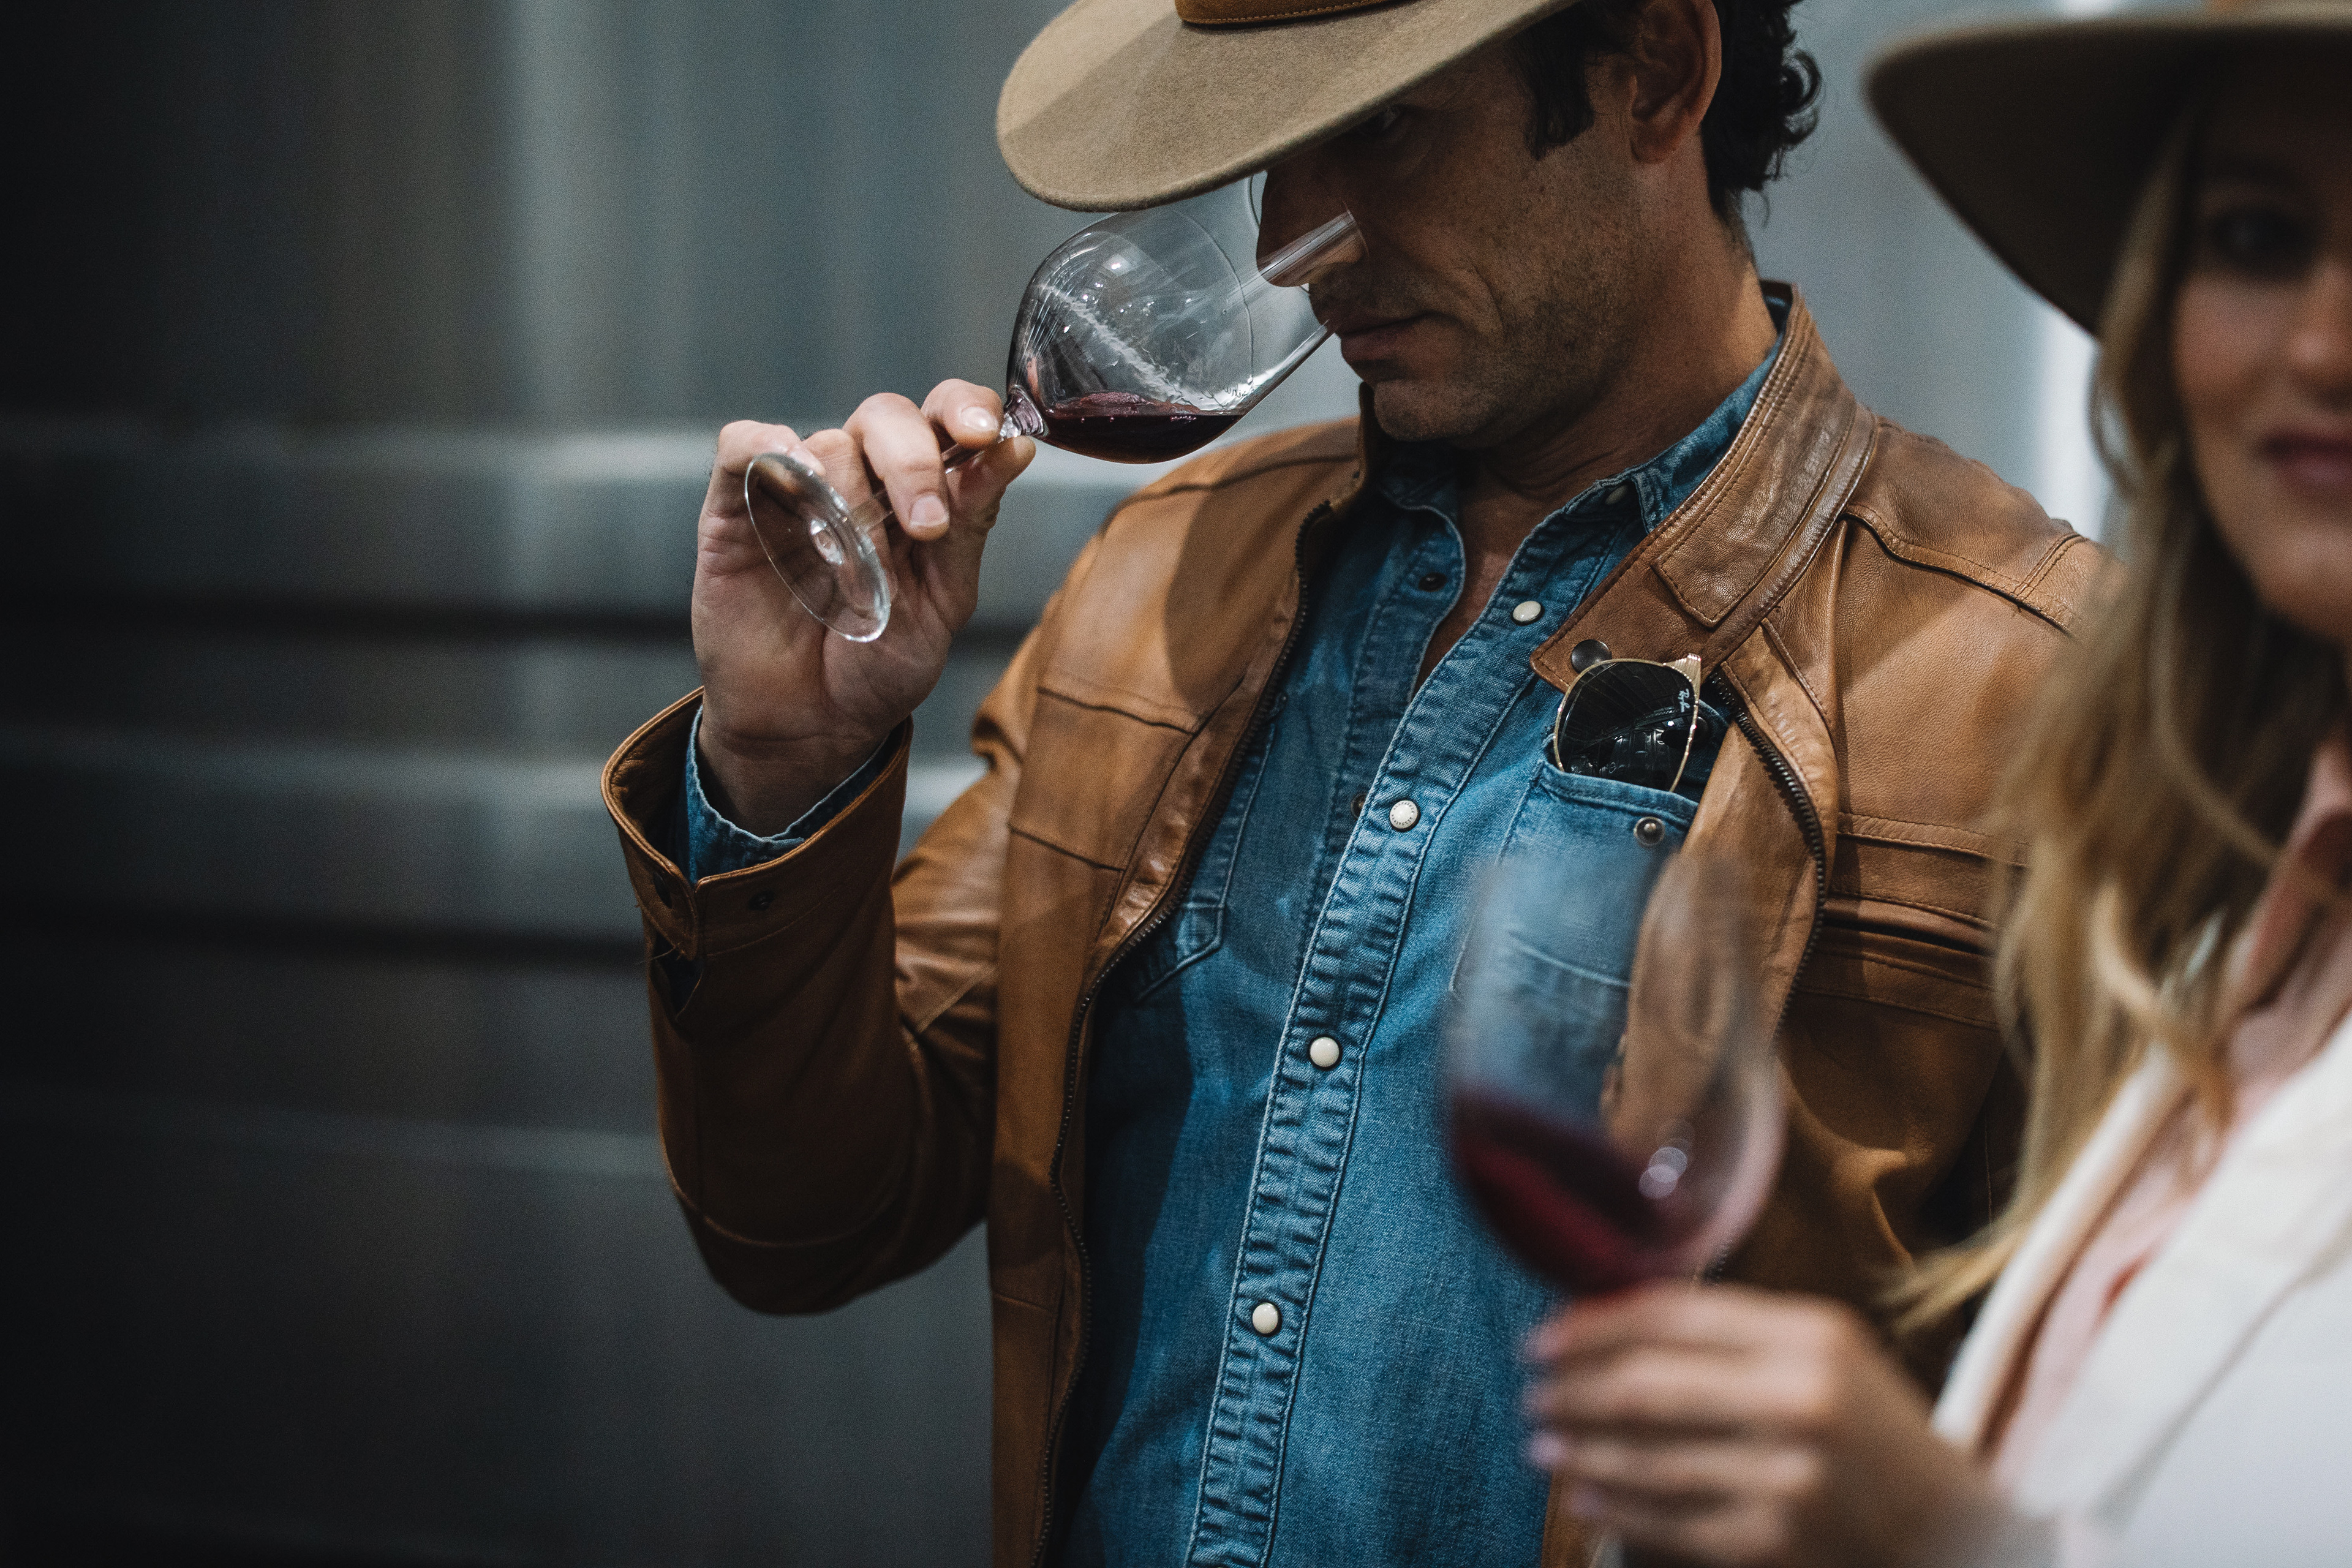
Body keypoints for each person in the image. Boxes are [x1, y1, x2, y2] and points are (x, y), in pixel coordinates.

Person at [600, 0, 2099, 1563]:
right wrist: (783, 763)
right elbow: (807, 1217)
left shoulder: (2036, 687)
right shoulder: (1162, 574)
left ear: (1655, 74)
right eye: (1275, 152)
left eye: (1382, 129)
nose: (1294, 245)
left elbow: (2159, 1442)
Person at [1522, 3, 2352, 1564]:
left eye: (1387, 131)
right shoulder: (2263, 897)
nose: (2321, 347)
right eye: (2255, 236)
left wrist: (1939, 1536)